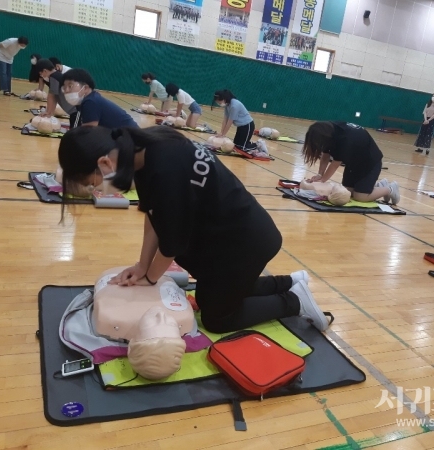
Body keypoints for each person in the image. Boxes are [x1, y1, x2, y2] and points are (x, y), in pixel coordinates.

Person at [57, 126, 332, 334]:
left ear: (105, 163)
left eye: (92, 182)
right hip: (234, 234)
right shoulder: (144, 148)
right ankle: (291, 281)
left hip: (245, 242)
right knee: (215, 295)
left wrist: (151, 278)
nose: (96, 189)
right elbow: (153, 215)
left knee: (217, 318)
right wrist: (142, 266)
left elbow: (172, 244)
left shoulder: (164, 169)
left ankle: (294, 301)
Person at [302, 122, 400, 204]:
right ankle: (378, 187)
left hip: (370, 164)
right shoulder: (330, 132)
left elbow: (334, 165)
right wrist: (320, 174)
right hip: (353, 164)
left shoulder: (343, 139)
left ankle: (390, 189)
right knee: (347, 192)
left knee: (360, 197)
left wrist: (322, 180)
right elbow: (325, 155)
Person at [61, 69, 138, 129]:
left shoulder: (90, 102)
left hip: (132, 141)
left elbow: (88, 132)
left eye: (70, 86)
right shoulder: (92, 98)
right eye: (64, 87)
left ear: (85, 88)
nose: (66, 90)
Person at [212, 89, 267, 157]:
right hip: (241, 127)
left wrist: (224, 134)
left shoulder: (234, 105)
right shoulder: (227, 105)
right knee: (236, 146)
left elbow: (229, 122)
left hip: (247, 126)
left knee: (242, 148)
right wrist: (221, 132)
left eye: (220, 103)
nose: (219, 104)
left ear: (224, 99)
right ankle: (249, 144)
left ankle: (259, 144)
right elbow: (225, 120)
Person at [35, 59, 78, 127]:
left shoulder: (54, 77)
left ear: (45, 71)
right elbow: (53, 97)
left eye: (41, 74)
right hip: (74, 112)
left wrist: (48, 112)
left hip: (76, 111)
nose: (41, 76)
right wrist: (49, 112)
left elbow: (52, 96)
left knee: (76, 134)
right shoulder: (56, 76)